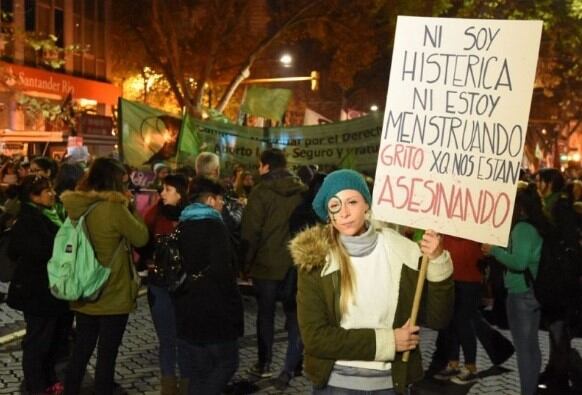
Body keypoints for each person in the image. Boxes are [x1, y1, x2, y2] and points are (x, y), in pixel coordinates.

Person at [291, 169, 454, 394]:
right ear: (329, 214)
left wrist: (437, 261)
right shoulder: (316, 261)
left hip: (389, 385)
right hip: (335, 386)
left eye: (352, 202)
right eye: (335, 206)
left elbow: (438, 318)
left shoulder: (402, 251)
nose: (345, 213)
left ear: (367, 204)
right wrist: (388, 342)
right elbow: (315, 338)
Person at [61, 157, 149, 395]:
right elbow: (141, 237)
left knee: (81, 349)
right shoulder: (114, 208)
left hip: (84, 287)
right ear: (113, 181)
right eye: (123, 181)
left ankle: (70, 390)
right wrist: (131, 207)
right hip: (112, 290)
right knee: (107, 353)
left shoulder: (78, 205)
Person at [173, 176, 244, 394]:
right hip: (215, 312)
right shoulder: (215, 227)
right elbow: (224, 272)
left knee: (198, 370)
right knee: (226, 363)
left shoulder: (183, 224)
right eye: (221, 200)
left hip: (187, 308)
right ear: (211, 200)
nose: (223, 204)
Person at [240, 148, 307, 381]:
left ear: (266, 166)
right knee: (295, 314)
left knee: (265, 315)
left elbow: (251, 231)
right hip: (295, 262)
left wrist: (245, 263)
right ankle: (294, 364)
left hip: (267, 264)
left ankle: (264, 363)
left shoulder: (260, 192)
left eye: (260, 165)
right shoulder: (302, 190)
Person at [6, 175, 69, 395]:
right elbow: (23, 251)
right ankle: (36, 385)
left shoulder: (56, 214)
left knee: (54, 338)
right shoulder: (28, 219)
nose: (52, 193)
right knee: (38, 340)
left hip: (54, 289)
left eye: (52, 189)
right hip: (38, 290)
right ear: (33, 197)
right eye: (46, 191)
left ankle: (49, 378)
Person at [482, 182, 546, 395]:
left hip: (521, 294)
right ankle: (532, 387)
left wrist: (494, 251)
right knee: (531, 345)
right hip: (532, 293)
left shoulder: (522, 229)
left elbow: (519, 263)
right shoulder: (534, 226)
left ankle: (528, 391)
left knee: (524, 350)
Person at [535, 168, 582, 392]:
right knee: (556, 332)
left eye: (539, 181)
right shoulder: (552, 206)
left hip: (560, 285)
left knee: (559, 332)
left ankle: (560, 378)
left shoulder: (560, 208)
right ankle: (555, 370)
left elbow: (564, 247)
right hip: (556, 282)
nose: (536, 186)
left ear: (549, 183)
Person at [142, 174, 190, 394]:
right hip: (159, 285)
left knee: (186, 337)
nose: (162, 193)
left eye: (168, 189)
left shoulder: (191, 216)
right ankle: (168, 385)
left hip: (186, 287)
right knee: (167, 339)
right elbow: (141, 243)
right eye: (163, 189)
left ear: (181, 193)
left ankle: (188, 383)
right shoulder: (153, 215)